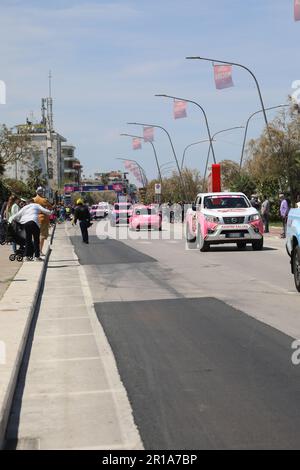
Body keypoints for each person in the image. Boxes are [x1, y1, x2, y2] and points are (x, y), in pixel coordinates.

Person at [33, 187, 53, 256]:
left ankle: (35, 250)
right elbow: (50, 207)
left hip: (35, 219)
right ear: (42, 192)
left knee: (35, 235)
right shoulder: (44, 200)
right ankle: (40, 251)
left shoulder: (33, 200)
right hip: (43, 219)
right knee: (42, 235)